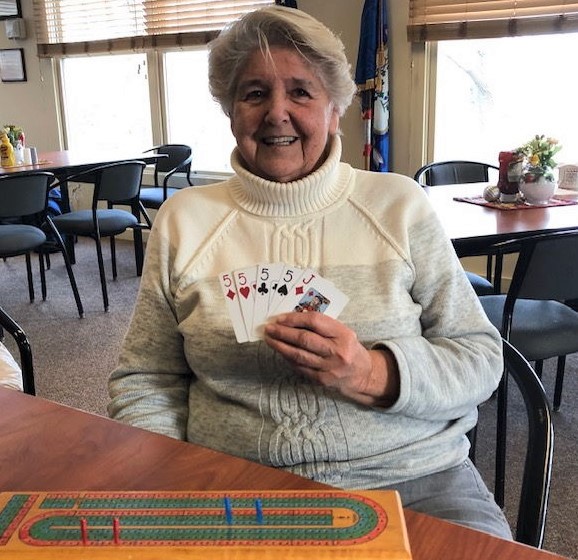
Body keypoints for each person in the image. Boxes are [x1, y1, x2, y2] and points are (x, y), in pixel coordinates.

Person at [108, 6, 510, 539]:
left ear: (335, 107)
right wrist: (171, 479)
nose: (277, 113)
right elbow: (145, 379)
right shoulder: (185, 219)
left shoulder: (398, 206)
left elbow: (481, 358)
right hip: (234, 484)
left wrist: (371, 371)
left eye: (301, 92)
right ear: (230, 109)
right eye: (254, 93)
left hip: (415, 479)